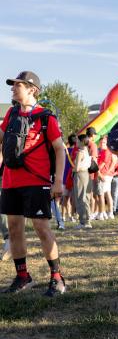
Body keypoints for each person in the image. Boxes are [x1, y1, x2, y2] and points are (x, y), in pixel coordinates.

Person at [0, 71, 66, 296]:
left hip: (36, 182)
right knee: (14, 229)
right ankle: (22, 276)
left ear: (32, 89)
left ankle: (57, 278)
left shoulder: (46, 117)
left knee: (41, 228)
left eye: (17, 85)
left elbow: (60, 150)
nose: (12, 88)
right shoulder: (11, 113)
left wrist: (58, 181)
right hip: (10, 181)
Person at [73, 134, 92, 229]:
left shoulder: (80, 152)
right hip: (86, 175)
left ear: (81, 141)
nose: (76, 142)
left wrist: (73, 168)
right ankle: (87, 220)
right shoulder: (86, 151)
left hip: (80, 175)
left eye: (77, 140)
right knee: (86, 198)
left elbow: (76, 168)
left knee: (80, 197)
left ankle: (83, 222)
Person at [97, 135, 117, 219]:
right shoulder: (107, 151)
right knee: (107, 193)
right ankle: (108, 213)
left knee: (101, 195)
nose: (102, 144)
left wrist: (99, 173)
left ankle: (102, 213)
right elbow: (113, 163)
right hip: (107, 175)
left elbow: (103, 164)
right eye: (101, 142)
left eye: (104, 142)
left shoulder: (106, 152)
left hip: (104, 175)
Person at [86, 127, 99, 220]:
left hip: (83, 171)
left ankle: (89, 213)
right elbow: (94, 159)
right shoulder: (93, 145)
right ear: (92, 135)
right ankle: (90, 213)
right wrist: (97, 173)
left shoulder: (83, 143)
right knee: (90, 194)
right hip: (90, 172)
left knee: (87, 195)